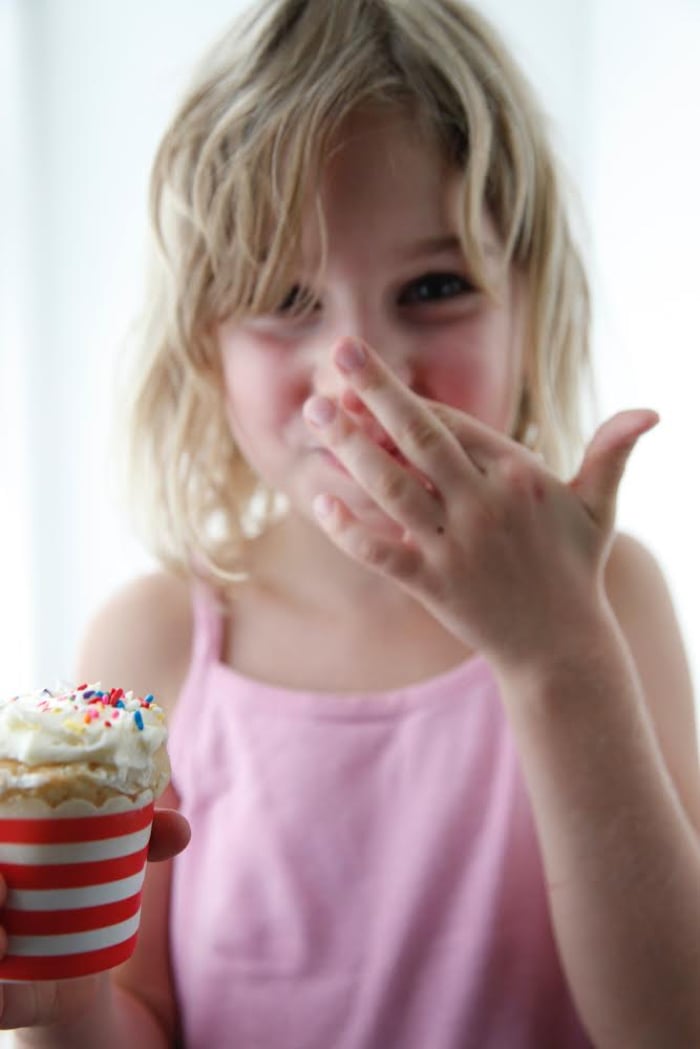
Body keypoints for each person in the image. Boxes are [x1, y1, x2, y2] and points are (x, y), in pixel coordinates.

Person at [3, 0, 700, 1046]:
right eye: (287, 296)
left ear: (531, 301)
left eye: (433, 286)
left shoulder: (606, 602)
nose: (358, 374)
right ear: (205, 346)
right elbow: (138, 1012)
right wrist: (61, 1003)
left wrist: (556, 653)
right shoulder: (148, 642)